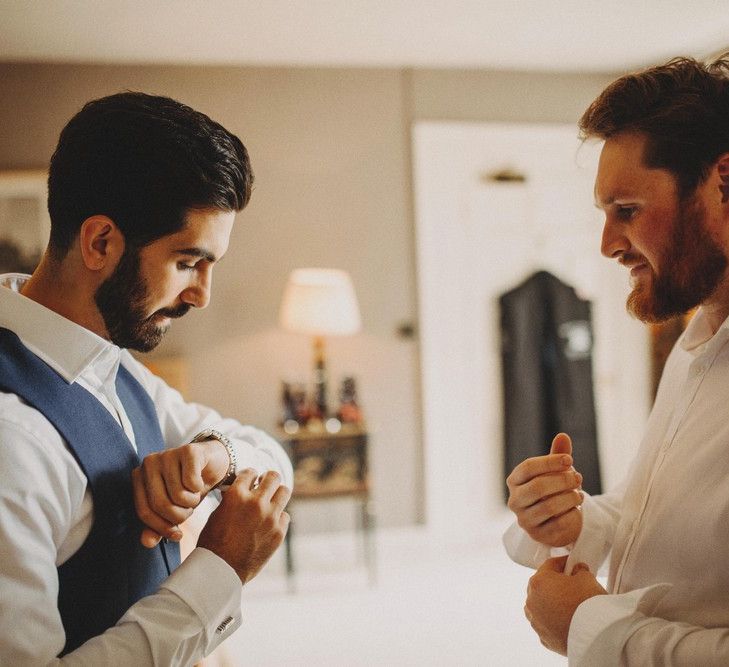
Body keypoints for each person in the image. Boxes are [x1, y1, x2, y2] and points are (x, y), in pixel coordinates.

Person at [0, 92, 294, 664]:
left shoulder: (109, 366)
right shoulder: (12, 440)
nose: (202, 296)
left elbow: (272, 455)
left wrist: (217, 457)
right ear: (101, 241)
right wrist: (219, 572)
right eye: (187, 262)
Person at [504, 55, 729, 665]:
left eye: (626, 211)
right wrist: (571, 522)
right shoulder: (696, 341)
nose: (606, 245)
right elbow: (650, 506)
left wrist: (589, 628)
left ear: (722, 181)